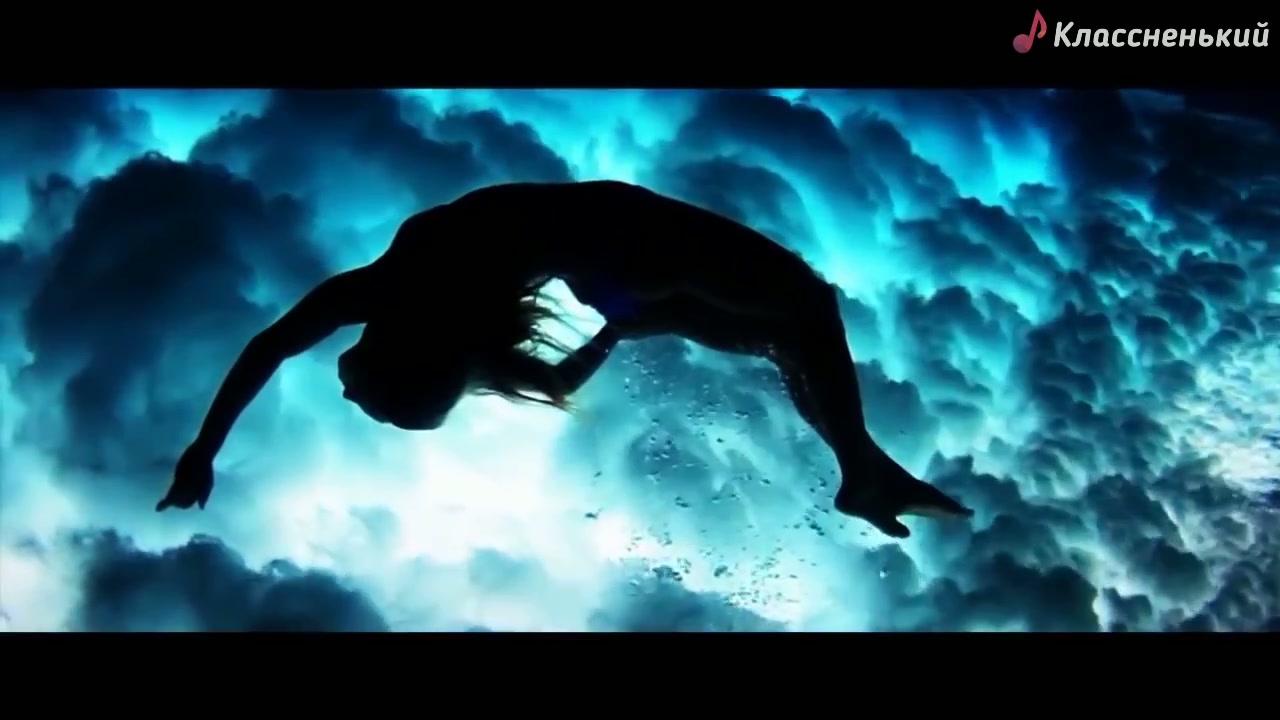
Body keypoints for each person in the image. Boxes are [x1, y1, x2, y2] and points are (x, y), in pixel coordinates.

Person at [156, 180, 972, 538]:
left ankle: (860, 468)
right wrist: (202, 449)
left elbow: (267, 349)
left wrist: (620, 328)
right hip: (623, 244)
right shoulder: (385, 293)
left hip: (617, 268)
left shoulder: (439, 324)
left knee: (785, 331)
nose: (346, 398)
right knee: (800, 310)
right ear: (380, 356)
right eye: (362, 396)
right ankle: (859, 468)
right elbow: (270, 347)